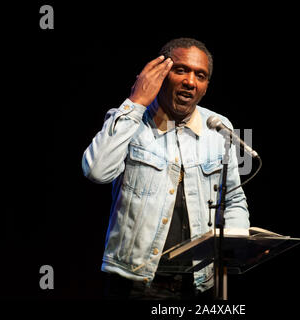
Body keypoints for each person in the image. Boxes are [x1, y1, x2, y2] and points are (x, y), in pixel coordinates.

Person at [82, 38, 250, 300]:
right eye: (181, 70)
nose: (190, 82)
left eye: (200, 75)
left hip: (198, 284)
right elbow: (96, 171)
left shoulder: (220, 127)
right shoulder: (128, 120)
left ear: (206, 86)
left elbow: (234, 198)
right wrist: (136, 101)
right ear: (160, 73)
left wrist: (238, 243)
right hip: (135, 282)